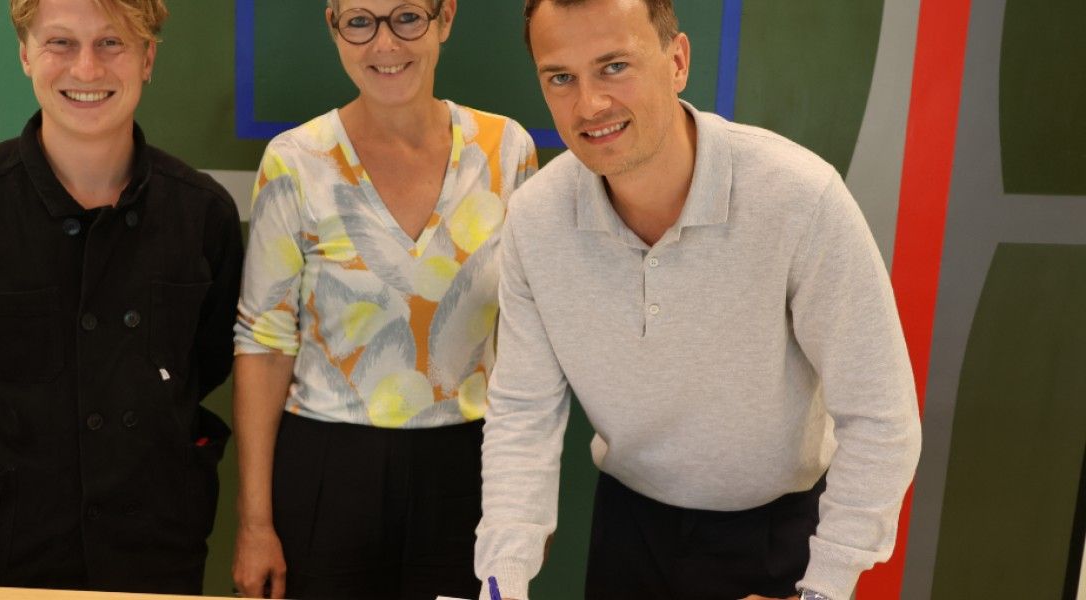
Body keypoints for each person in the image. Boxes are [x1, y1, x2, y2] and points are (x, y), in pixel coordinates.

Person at [473, 1, 921, 599]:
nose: (589, 105)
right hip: (628, 528)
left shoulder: (799, 198)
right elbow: (522, 413)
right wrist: (501, 578)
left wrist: (823, 589)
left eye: (613, 67)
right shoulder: (534, 219)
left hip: (778, 537)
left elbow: (881, 416)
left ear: (677, 60)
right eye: (561, 77)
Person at [0, 0, 242, 593]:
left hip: (154, 554)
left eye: (111, 43)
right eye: (60, 43)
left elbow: (209, 361)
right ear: (25, 55)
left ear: (148, 58)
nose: (86, 69)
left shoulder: (203, 217)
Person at [230, 1, 539, 598]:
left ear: (445, 18)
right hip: (327, 469)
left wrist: (524, 508)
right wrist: (255, 523)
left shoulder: (507, 151)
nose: (385, 44)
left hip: (471, 468)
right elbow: (264, 345)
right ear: (334, 27)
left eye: (407, 17)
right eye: (360, 21)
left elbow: (529, 340)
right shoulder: (295, 161)